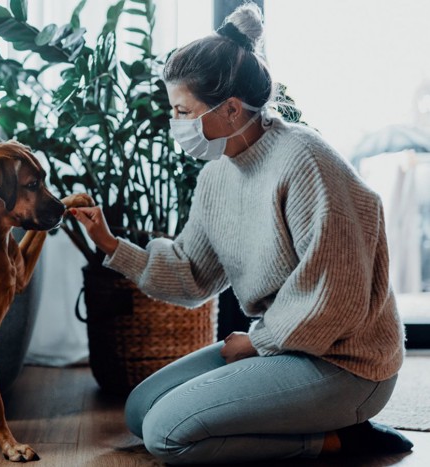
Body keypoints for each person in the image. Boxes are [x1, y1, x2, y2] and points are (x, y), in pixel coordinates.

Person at [69, 3, 413, 465]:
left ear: (230, 109)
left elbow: (337, 297)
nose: (176, 125)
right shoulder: (218, 175)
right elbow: (193, 275)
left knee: (166, 434)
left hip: (346, 363)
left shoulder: (304, 161)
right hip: (284, 346)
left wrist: (257, 342)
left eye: (182, 110)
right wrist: (112, 245)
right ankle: (309, 420)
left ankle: (338, 438)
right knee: (138, 411)